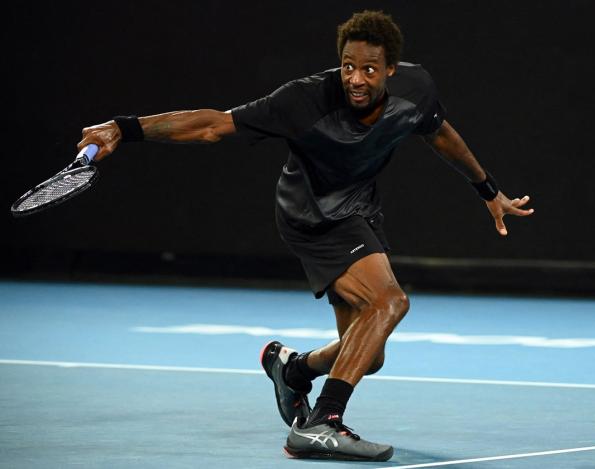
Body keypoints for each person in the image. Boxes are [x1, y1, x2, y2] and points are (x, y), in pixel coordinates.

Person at [79, 10, 533, 462]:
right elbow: (212, 125)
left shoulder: (417, 90)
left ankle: (293, 370)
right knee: (390, 302)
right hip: (311, 216)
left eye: (369, 69)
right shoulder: (302, 101)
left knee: (367, 357)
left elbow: (440, 133)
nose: (355, 78)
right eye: (348, 66)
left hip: (360, 209)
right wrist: (125, 128)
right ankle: (322, 423)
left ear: (391, 70)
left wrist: (487, 188)